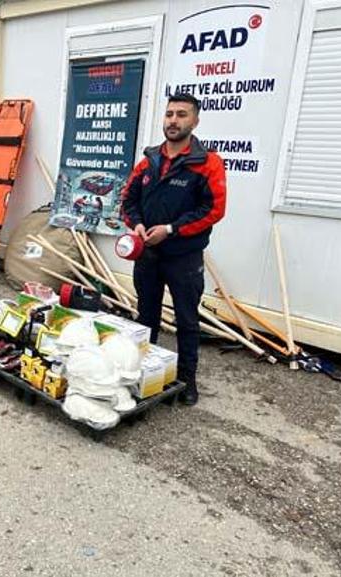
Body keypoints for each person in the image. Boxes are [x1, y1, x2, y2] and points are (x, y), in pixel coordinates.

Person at [120, 93, 227, 405]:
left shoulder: (208, 164)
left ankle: (186, 379)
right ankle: (142, 372)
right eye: (169, 114)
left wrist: (171, 230)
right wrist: (137, 226)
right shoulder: (148, 160)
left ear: (195, 121)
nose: (173, 120)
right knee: (146, 316)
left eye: (182, 114)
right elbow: (128, 200)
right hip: (148, 256)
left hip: (184, 257)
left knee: (187, 320)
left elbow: (214, 210)